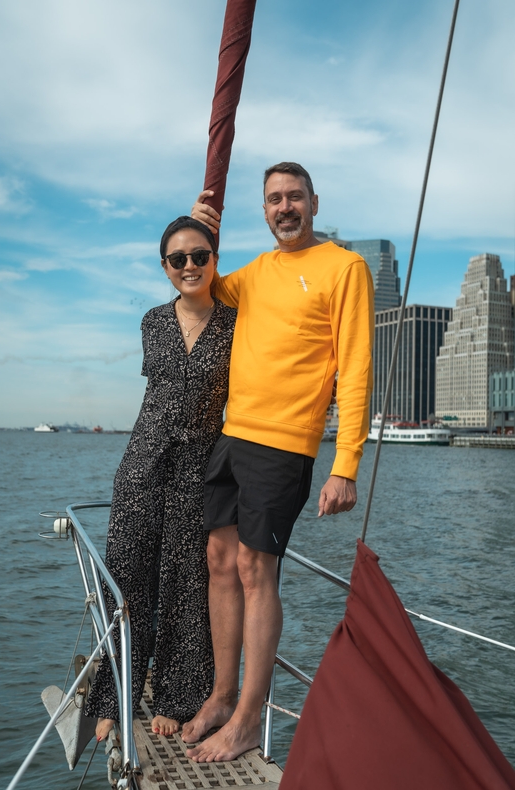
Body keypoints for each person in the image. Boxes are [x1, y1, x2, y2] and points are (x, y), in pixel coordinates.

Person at [181, 162, 374, 762]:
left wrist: (345, 464)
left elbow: (357, 366)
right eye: (273, 199)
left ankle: (247, 718)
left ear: (314, 203)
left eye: (294, 197)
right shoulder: (256, 273)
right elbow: (198, 287)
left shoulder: (346, 267)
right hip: (232, 434)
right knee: (219, 560)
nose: (284, 207)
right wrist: (198, 231)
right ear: (262, 210)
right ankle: (220, 695)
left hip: (286, 442)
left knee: (256, 571)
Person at [85, 216, 237, 740]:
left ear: (216, 258)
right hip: (143, 459)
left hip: (200, 465)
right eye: (178, 259)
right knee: (127, 574)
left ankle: (177, 695)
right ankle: (115, 695)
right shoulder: (153, 320)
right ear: (165, 267)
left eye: (200, 256)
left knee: (185, 583)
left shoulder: (238, 323)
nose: (190, 266)